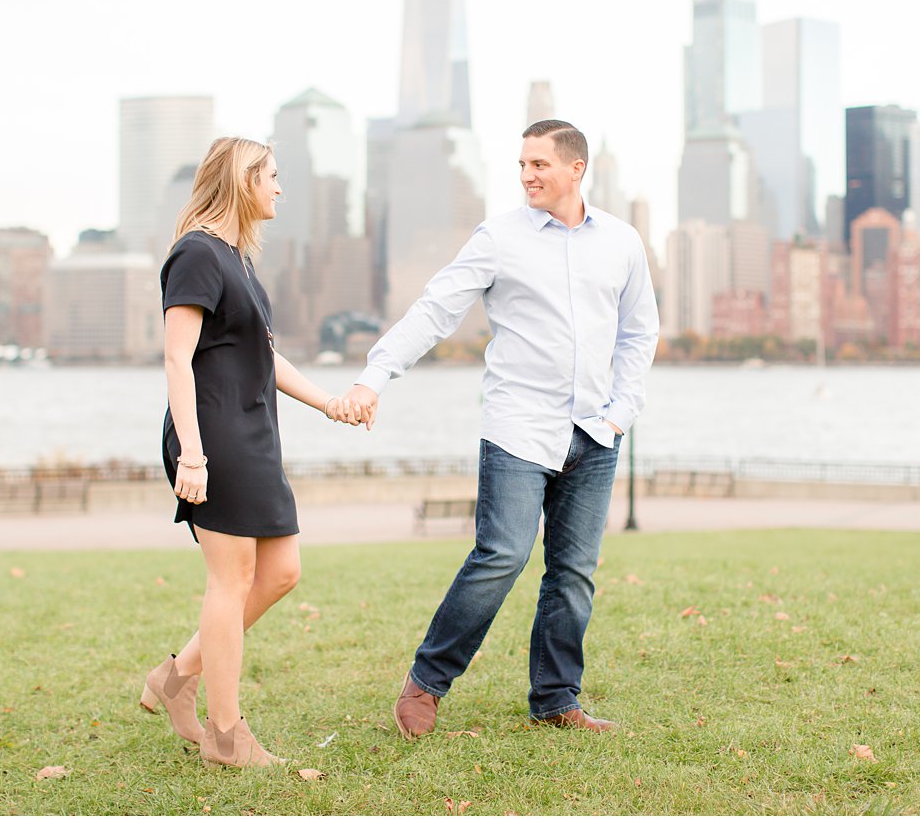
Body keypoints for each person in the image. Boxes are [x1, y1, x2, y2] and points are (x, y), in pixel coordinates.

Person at [344, 119, 659, 737]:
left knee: (573, 572)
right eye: (521, 164)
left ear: (576, 168)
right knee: (503, 555)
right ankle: (426, 683)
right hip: (518, 426)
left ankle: (556, 700)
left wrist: (622, 410)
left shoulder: (621, 243)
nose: (527, 175)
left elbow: (639, 331)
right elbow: (435, 310)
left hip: (596, 432)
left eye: (539, 164)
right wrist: (373, 377)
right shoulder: (500, 237)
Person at [143, 135, 362, 769]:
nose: (279, 188)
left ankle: (176, 676)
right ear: (242, 180)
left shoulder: (239, 260)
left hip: (255, 432)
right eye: (271, 175)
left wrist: (328, 403)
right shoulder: (196, 255)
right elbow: (177, 359)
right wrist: (191, 453)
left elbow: (265, 359)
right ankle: (225, 735)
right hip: (212, 437)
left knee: (282, 572)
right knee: (231, 580)